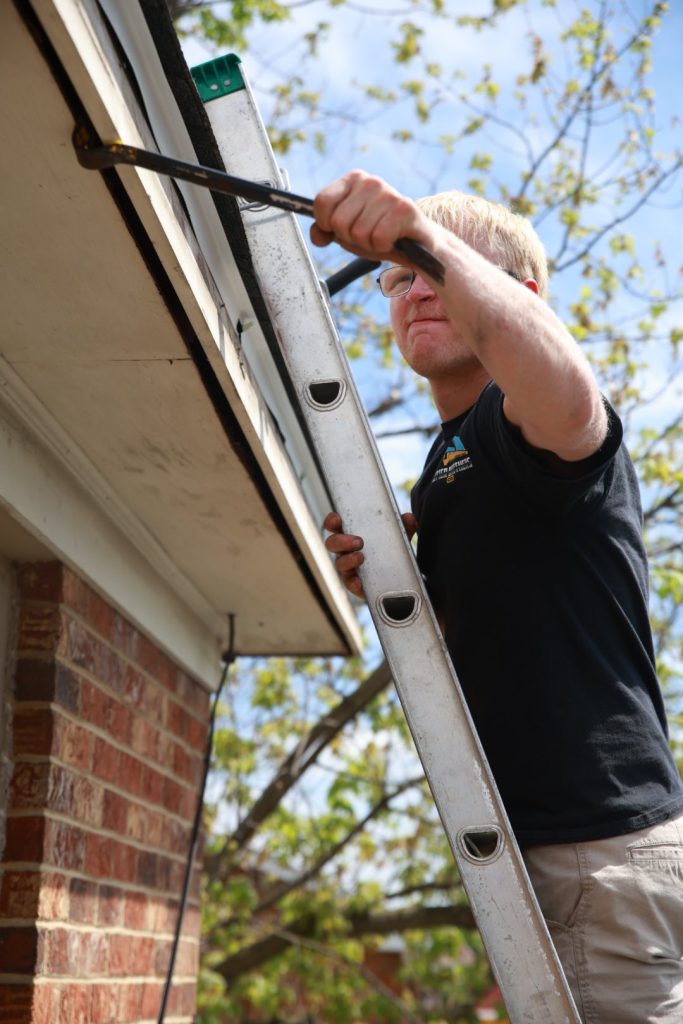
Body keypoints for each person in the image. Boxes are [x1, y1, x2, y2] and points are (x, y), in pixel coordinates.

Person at [312, 171, 683, 1023]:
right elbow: (488, 639)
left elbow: (570, 397)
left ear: (521, 294)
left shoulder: (527, 420)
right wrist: (397, 586)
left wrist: (423, 236)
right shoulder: (449, 461)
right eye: (396, 277)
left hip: (591, 845)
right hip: (558, 848)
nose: (412, 288)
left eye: (432, 270)